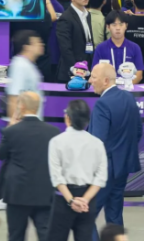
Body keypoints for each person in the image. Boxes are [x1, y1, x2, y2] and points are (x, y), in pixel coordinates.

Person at [0, 91, 59, 241]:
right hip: (44, 193)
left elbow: (0, 154)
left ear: (22, 106)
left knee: (16, 235)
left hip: (17, 194)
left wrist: (10, 125)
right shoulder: (53, 132)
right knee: (46, 235)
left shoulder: (12, 131)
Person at [88, 64, 141, 237]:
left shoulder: (102, 104)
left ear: (105, 81)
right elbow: (138, 131)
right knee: (115, 216)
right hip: (123, 168)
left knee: (86, 217)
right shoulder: (128, 97)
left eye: (93, 77)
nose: (90, 81)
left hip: (104, 171)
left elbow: (97, 142)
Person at [47, 100, 107, 241]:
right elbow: (100, 177)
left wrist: (71, 201)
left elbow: (57, 177)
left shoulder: (56, 142)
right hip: (87, 201)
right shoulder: (97, 144)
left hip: (63, 198)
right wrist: (85, 200)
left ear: (67, 118)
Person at [56, 0, 96, 82]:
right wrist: (76, 70)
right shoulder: (66, 18)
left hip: (87, 67)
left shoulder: (87, 14)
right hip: (72, 71)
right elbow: (65, 49)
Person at [92, 11, 144, 83]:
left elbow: (139, 74)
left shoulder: (135, 47)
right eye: (114, 25)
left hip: (129, 87)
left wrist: (127, 86)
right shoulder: (100, 48)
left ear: (126, 26)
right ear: (108, 27)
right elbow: (95, 72)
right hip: (107, 88)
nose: (118, 28)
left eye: (121, 24)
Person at [6, 31, 45, 118]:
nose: (42, 44)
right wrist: (15, 123)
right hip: (24, 123)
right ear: (27, 47)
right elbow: (14, 98)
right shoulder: (20, 65)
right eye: (37, 43)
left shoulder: (29, 65)